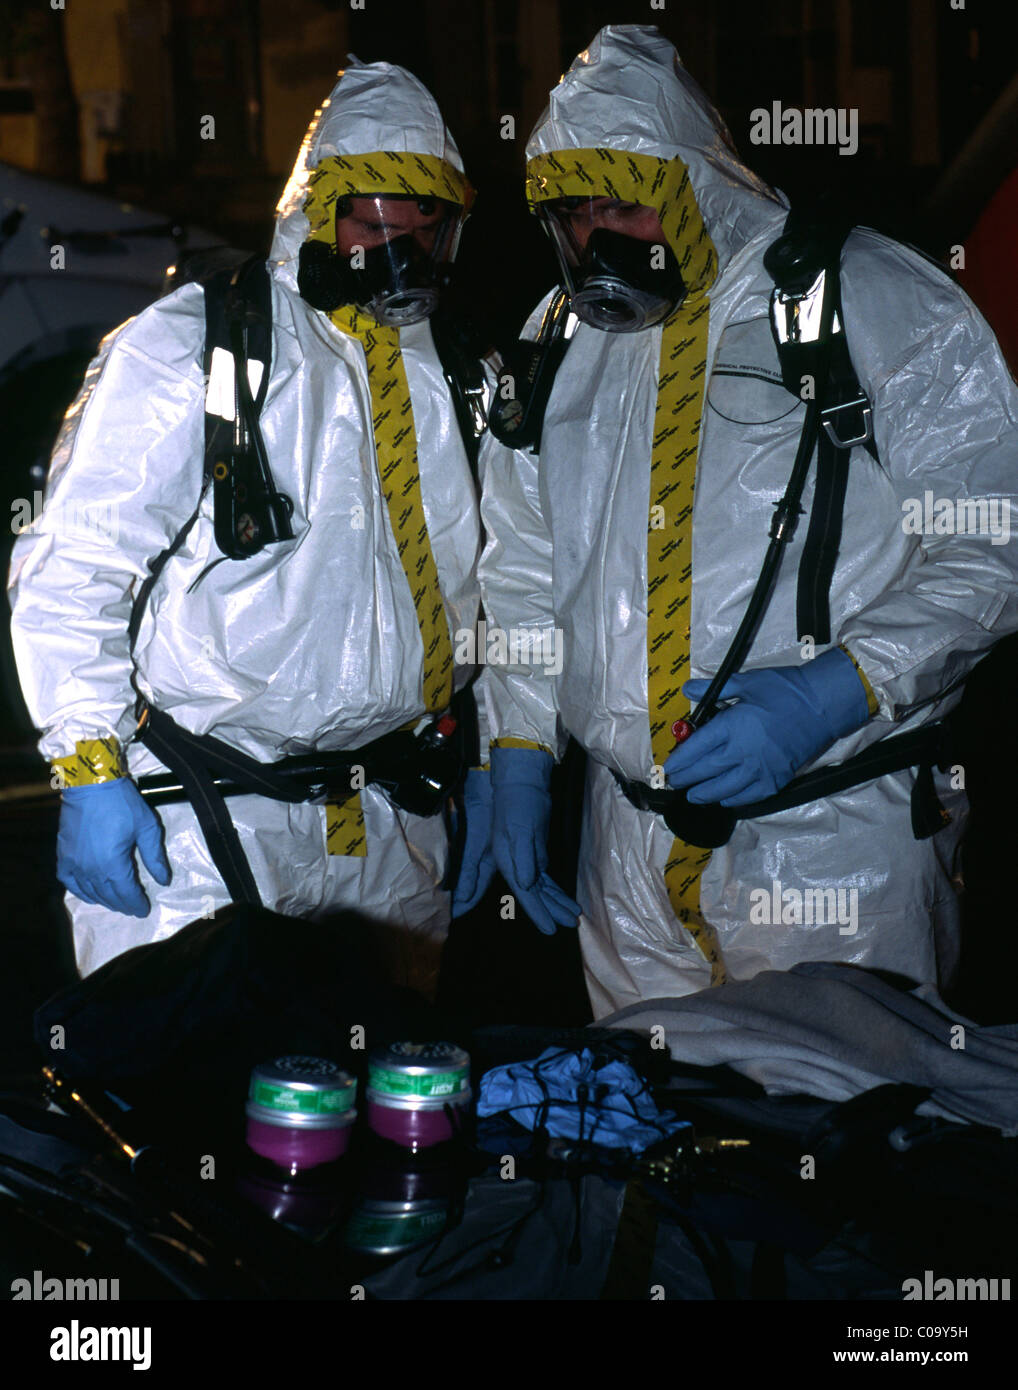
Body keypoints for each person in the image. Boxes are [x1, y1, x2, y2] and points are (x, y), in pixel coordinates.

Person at [472, 25, 1018, 1017]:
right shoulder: (555, 341)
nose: (601, 241)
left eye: (625, 205)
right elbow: (522, 563)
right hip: (626, 852)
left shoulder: (866, 297)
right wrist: (515, 754)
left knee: (839, 1131)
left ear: (691, 182)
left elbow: (993, 535)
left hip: (834, 838)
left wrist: (835, 691)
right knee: (653, 1143)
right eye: (575, 213)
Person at [8, 58, 487, 997]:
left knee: (381, 1110)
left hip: (390, 828)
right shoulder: (196, 344)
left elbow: (498, 582)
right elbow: (75, 567)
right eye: (370, 219)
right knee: (197, 1110)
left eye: (420, 225)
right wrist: (88, 766)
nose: (394, 249)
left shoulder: (458, 374)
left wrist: (516, 763)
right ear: (318, 210)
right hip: (205, 818)